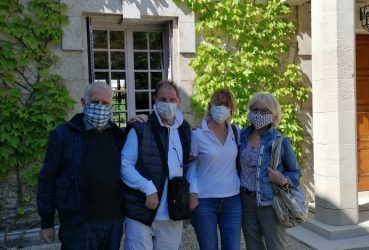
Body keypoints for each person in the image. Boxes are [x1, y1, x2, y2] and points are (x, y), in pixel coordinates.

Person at [36, 81, 125, 249]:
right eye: (95, 102)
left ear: (111, 105)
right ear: (84, 102)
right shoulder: (62, 135)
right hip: (78, 225)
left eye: (105, 103)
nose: (100, 106)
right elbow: (47, 180)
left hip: (113, 222)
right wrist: (46, 222)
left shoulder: (117, 135)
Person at [121, 80, 191, 250]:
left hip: (172, 211)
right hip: (141, 210)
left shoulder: (185, 128)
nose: (168, 104)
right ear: (155, 100)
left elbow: (192, 162)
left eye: (172, 100)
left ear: (179, 102)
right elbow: (125, 165)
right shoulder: (140, 128)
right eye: (163, 99)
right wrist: (148, 188)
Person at [239, 92, 301, 250]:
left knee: (275, 246)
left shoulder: (280, 141)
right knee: (253, 246)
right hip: (245, 202)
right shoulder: (241, 137)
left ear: (274, 115)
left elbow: (295, 172)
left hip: (270, 204)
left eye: (264, 111)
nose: (258, 113)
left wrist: (283, 180)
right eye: (255, 109)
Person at [187, 88, 242, 250]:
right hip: (204, 201)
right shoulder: (198, 134)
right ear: (210, 106)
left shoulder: (236, 132)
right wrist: (193, 193)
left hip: (232, 200)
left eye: (226, 104)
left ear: (231, 108)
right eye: (218, 103)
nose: (222, 108)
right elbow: (191, 165)